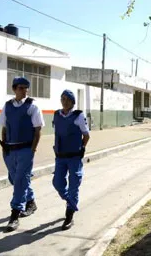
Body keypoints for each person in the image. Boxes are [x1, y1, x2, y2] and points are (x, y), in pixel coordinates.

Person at [0, 77, 44, 232]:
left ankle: (15, 214)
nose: (24, 90)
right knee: (14, 178)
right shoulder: (7, 106)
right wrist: (4, 147)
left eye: (26, 88)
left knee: (19, 181)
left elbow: (38, 130)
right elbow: (4, 128)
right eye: (21, 88)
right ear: (14, 89)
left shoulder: (32, 106)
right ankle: (30, 201)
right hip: (10, 150)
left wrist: (33, 150)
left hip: (26, 150)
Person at [52, 90, 90, 230]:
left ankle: (69, 214)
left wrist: (82, 148)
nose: (65, 101)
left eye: (68, 99)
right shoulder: (57, 114)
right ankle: (70, 201)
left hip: (74, 156)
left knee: (74, 184)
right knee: (57, 182)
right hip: (60, 156)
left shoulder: (78, 115)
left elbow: (86, 135)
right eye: (63, 98)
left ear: (73, 102)